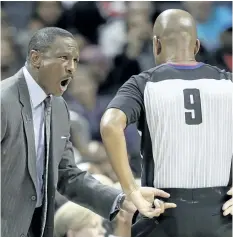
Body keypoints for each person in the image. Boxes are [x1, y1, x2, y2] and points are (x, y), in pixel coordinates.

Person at [1, 27, 173, 237]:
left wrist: (122, 199)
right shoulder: (3, 102)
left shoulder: (59, 108)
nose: (72, 68)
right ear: (36, 58)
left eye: (75, 60)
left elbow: (67, 175)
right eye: (64, 58)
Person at [100, 9, 232, 237]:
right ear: (197, 46)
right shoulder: (227, 82)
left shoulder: (142, 84)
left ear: (156, 45)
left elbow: (110, 124)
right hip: (222, 216)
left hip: (163, 215)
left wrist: (131, 189)